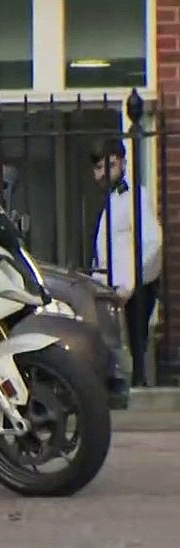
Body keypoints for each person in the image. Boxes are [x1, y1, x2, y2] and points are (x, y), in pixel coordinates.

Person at [89, 138, 163, 378]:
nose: (102, 174)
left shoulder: (135, 196)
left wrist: (130, 282)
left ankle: (138, 393)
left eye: (108, 166)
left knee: (134, 348)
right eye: (98, 168)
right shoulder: (111, 199)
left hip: (136, 289)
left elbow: (153, 242)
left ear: (122, 164)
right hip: (114, 290)